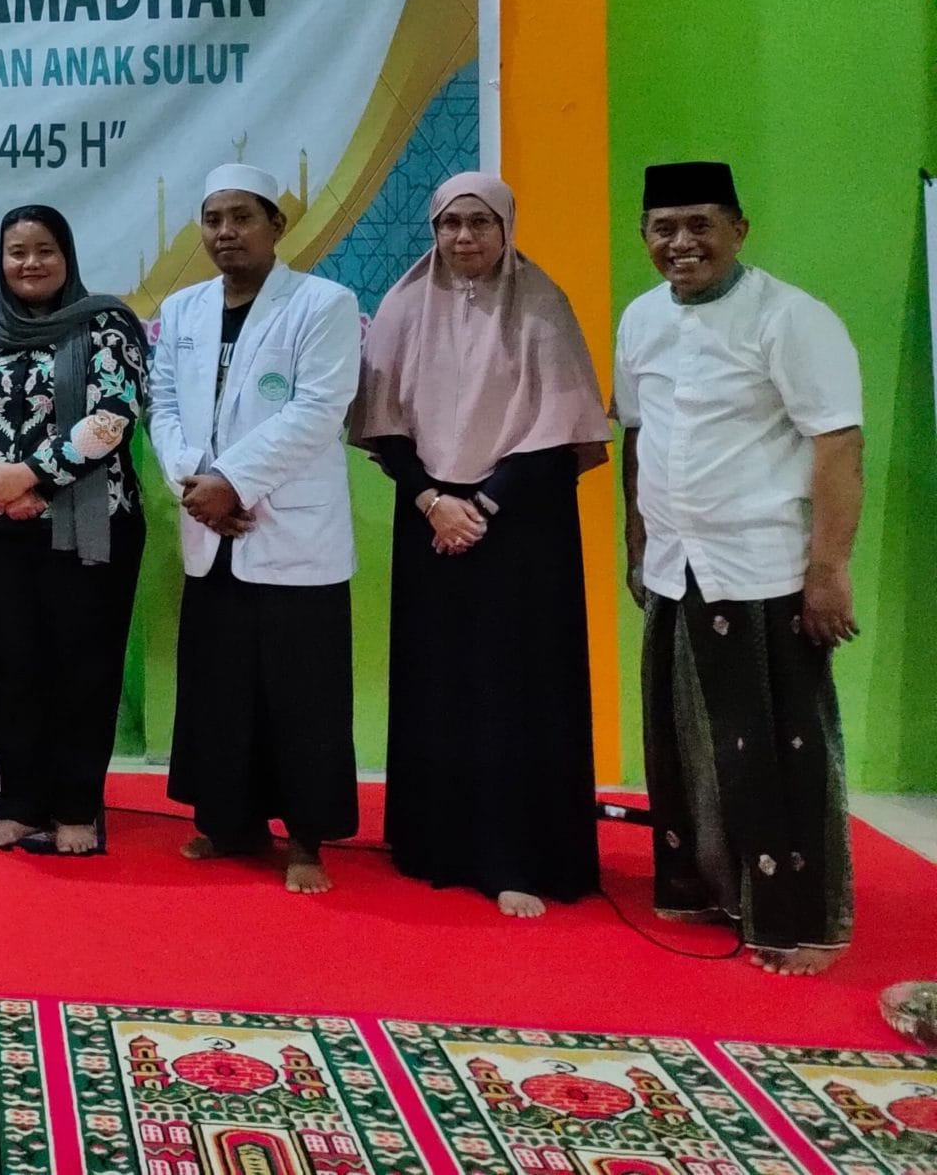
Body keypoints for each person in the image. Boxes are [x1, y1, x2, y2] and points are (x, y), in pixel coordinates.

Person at [617, 160, 863, 976]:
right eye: (664, 228)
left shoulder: (791, 317)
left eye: (701, 224)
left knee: (784, 749)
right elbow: (637, 433)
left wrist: (829, 569)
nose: (682, 243)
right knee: (687, 742)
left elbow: (838, 444)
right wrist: (636, 541)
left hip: (766, 567)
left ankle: (803, 921)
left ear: (739, 228)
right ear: (644, 235)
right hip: (676, 562)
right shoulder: (641, 318)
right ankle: (712, 890)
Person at [351, 172, 611, 916]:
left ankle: (517, 856)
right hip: (429, 524)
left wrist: (480, 505)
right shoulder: (404, 305)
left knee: (516, 689)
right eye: (450, 224)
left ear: (505, 228)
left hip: (521, 532)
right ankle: (435, 844)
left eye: (479, 223)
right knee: (439, 682)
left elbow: (559, 429)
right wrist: (435, 502)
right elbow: (385, 429)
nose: (463, 237)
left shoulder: (543, 304)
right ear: (434, 230)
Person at [149, 164, 362, 894]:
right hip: (209, 525)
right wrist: (193, 480)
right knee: (221, 688)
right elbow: (163, 406)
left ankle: (305, 838)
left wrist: (231, 482)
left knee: (302, 695)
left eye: (242, 217)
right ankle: (229, 822)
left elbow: (318, 409)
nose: (225, 232)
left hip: (288, 530)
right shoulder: (182, 309)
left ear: (277, 225)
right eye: (213, 219)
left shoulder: (323, 303)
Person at [0, 204, 148, 855]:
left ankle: (77, 803)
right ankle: (21, 800)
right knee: (12, 665)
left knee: (84, 666)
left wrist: (32, 476)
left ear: (67, 256)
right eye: (17, 251)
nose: (30, 263)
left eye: (45, 250)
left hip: (90, 524)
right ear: (0, 261)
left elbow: (114, 412)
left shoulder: (106, 323)